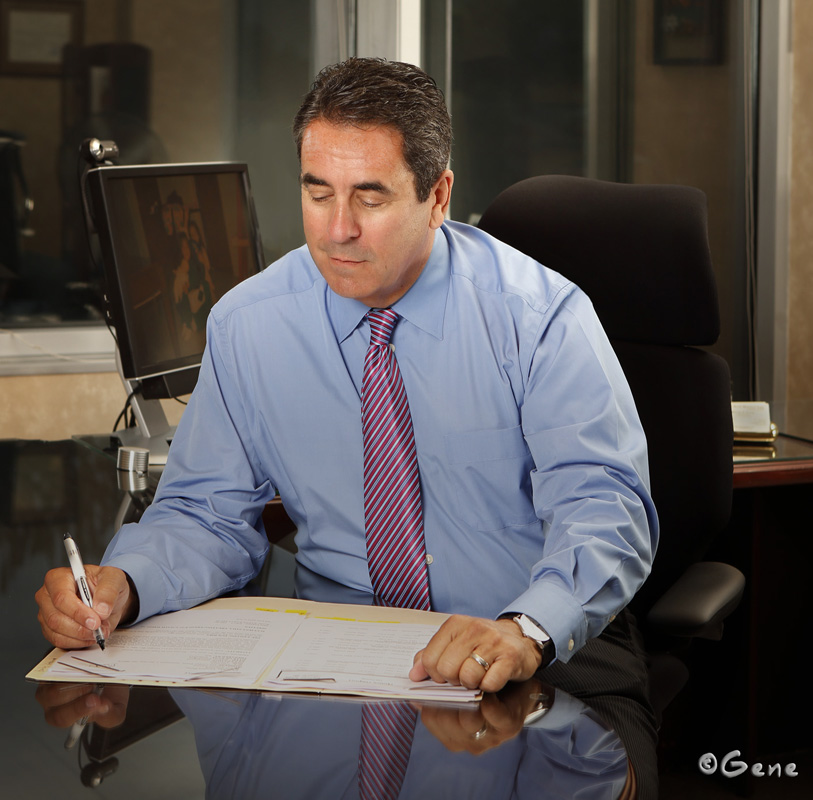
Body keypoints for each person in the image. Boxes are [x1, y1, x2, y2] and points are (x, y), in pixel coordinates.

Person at [36, 58, 658, 695]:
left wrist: (527, 627)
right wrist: (126, 585)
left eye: (370, 196)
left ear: (438, 196)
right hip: (338, 653)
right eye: (318, 193)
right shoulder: (250, 325)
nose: (339, 230)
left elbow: (604, 505)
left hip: (535, 642)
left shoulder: (538, 317)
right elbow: (204, 513)